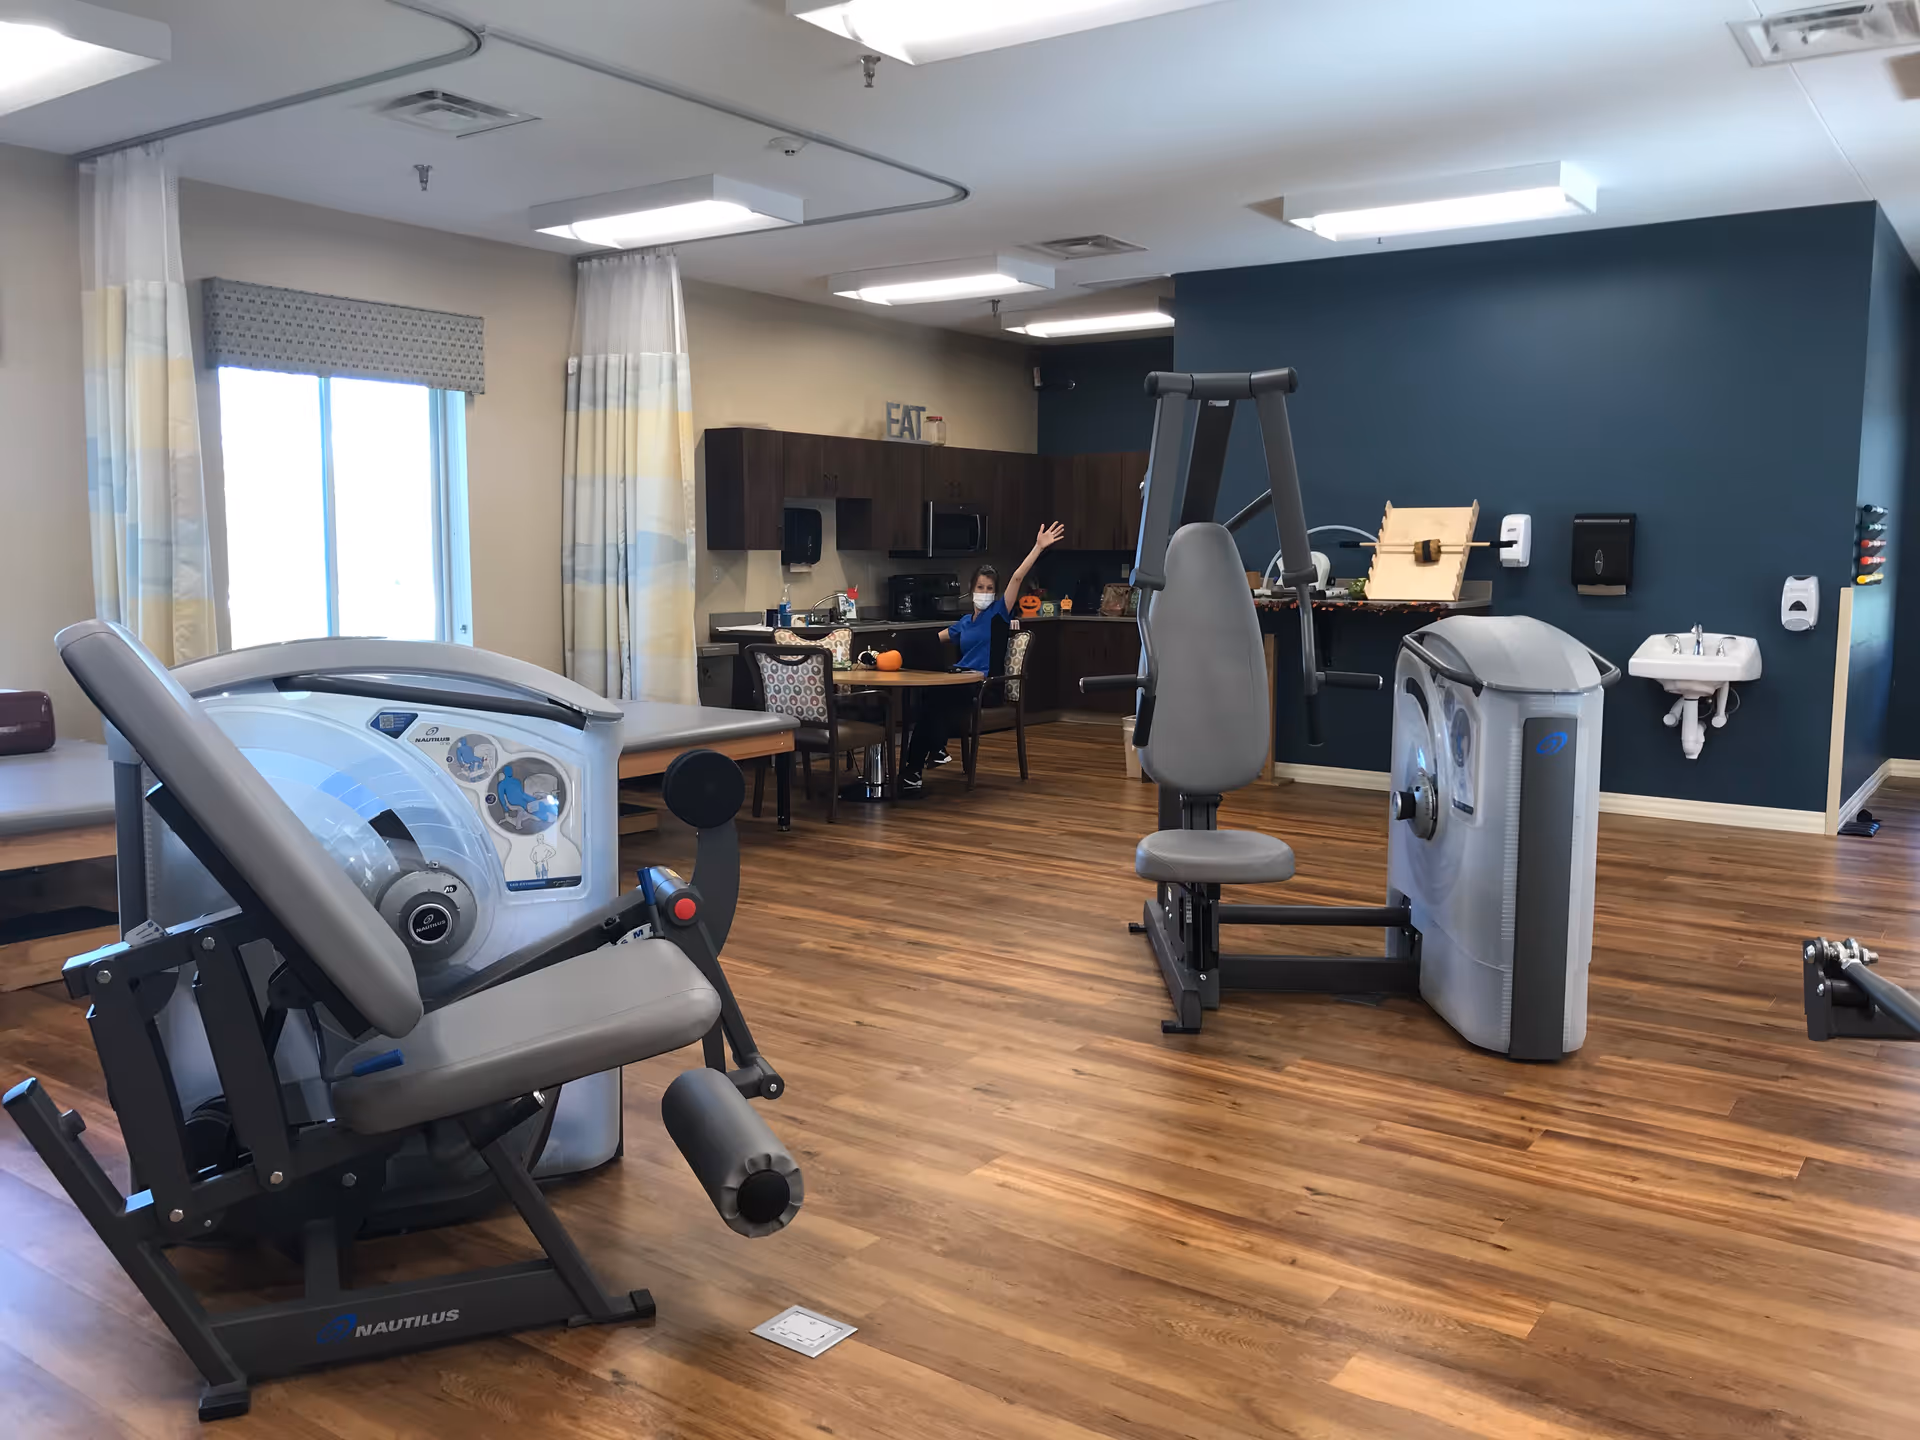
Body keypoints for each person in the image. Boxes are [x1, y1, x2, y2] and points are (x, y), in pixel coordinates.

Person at [900, 522, 1066, 794]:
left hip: (984, 685)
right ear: (971, 589)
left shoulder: (999, 614)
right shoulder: (964, 622)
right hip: (958, 681)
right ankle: (918, 767)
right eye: (980, 586)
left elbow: (1016, 579)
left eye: (989, 588)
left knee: (935, 703)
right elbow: (934, 639)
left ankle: (922, 761)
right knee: (928, 697)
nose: (984, 592)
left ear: (995, 593)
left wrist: (1038, 547)